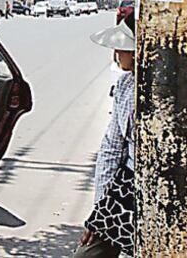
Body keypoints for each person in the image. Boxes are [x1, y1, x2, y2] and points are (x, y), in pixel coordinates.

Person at [75, 19, 136, 257]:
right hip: (125, 188)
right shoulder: (125, 85)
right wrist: (99, 213)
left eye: (121, 47)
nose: (116, 53)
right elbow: (111, 147)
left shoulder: (171, 88)